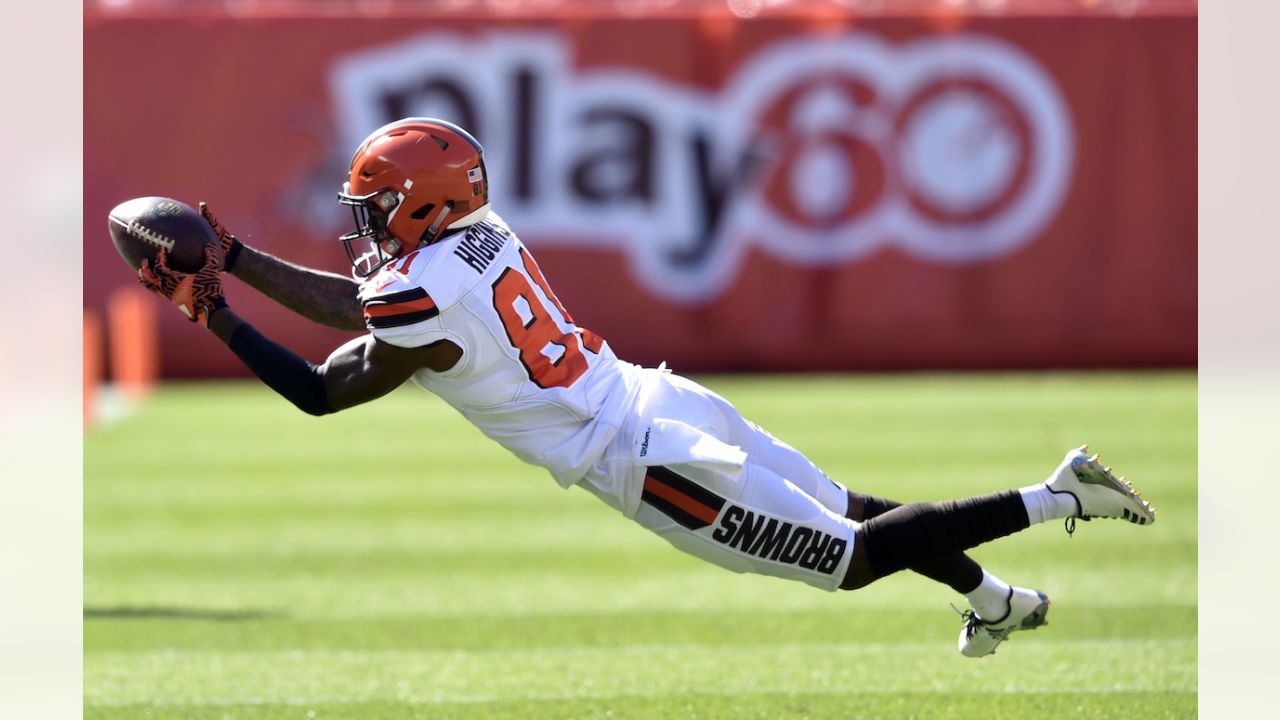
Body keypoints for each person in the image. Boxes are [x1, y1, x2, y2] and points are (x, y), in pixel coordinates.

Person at [137, 117, 1156, 658]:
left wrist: (217, 312)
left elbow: (328, 386)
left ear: (420, 205)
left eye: (379, 206)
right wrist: (232, 253)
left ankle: (1058, 493)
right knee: (843, 504)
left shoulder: (413, 300)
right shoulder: (480, 236)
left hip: (644, 458)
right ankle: (994, 601)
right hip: (657, 394)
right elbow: (361, 307)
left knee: (844, 559)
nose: (364, 224)